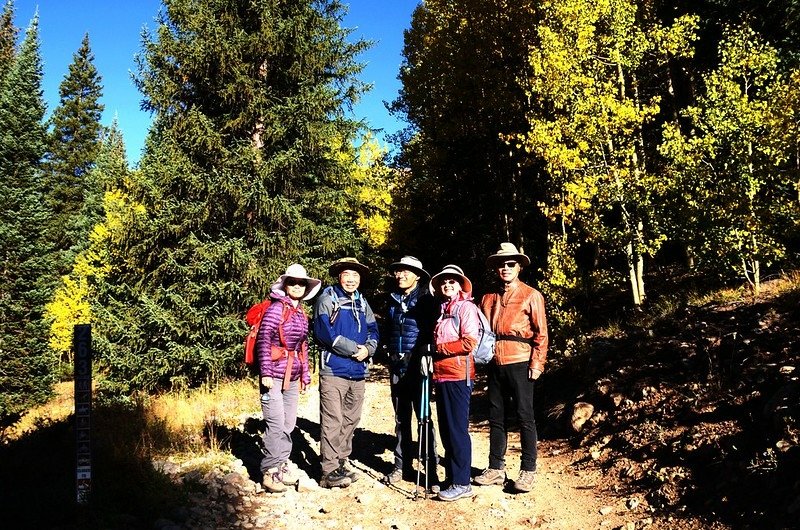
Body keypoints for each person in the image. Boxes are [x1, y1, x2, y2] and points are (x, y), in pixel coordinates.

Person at [475, 242, 549, 493]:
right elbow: (478, 331)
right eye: (501, 264)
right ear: (496, 268)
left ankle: (528, 470)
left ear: (518, 267)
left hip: (520, 360)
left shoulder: (531, 295)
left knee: (525, 416)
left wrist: (537, 363)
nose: (505, 268)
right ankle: (496, 468)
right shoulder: (487, 297)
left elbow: (541, 334)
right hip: (495, 362)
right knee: (496, 417)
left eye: (510, 264)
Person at [313, 257, 379, 488]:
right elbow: (324, 334)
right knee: (333, 419)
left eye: (355, 275)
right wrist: (355, 350)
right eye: (347, 275)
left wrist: (369, 349)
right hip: (334, 369)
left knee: (351, 419)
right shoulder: (327, 298)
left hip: (358, 371)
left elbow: (373, 329)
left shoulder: (362, 302)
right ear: (339, 276)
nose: (351, 280)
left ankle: (341, 461)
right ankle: (328, 470)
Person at [256, 263, 322, 493]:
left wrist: (305, 373)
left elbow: (302, 345)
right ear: (285, 284)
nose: (296, 286)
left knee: (288, 423)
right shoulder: (276, 309)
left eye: (301, 283)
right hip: (273, 374)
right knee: (275, 424)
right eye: (292, 282)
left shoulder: (300, 312)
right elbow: (264, 340)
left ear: (305, 287)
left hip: (292, 376)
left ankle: (281, 464)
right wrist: (265, 372)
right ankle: (269, 470)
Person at [381, 256, 438, 487]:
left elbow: (434, 331)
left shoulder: (427, 300)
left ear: (417, 276)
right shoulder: (393, 300)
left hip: (420, 367)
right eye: (399, 271)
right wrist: (387, 351)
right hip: (397, 365)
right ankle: (401, 465)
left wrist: (428, 356)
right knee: (401, 419)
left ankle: (431, 470)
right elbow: (388, 330)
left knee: (424, 418)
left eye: (407, 271)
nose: (401, 275)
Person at [428, 264, 480, 502]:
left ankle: (462, 482)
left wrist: (438, 349)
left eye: (452, 281)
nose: (447, 285)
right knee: (448, 430)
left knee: (457, 430)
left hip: (459, 375)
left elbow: (469, 342)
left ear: (460, 285)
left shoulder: (466, 308)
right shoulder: (443, 309)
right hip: (443, 375)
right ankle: (452, 478)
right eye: (444, 281)